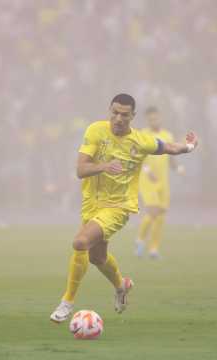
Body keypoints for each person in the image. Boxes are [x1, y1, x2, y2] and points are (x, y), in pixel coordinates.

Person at [50, 94, 199, 323]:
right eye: (115, 112)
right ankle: (121, 286)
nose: (118, 118)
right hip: (91, 204)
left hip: (119, 206)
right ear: (110, 110)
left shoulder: (141, 141)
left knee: (80, 242)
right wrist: (104, 166)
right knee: (97, 257)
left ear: (133, 116)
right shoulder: (95, 131)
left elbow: (169, 147)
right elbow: (81, 170)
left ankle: (66, 302)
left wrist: (189, 146)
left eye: (124, 115)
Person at [135, 106, 185, 259]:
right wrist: (147, 170)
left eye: (156, 118)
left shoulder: (167, 135)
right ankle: (140, 238)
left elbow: (171, 158)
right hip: (147, 180)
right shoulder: (142, 135)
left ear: (160, 117)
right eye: (150, 119)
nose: (153, 121)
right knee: (153, 211)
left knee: (161, 215)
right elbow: (137, 156)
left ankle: (153, 249)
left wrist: (178, 169)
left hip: (163, 181)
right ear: (147, 120)